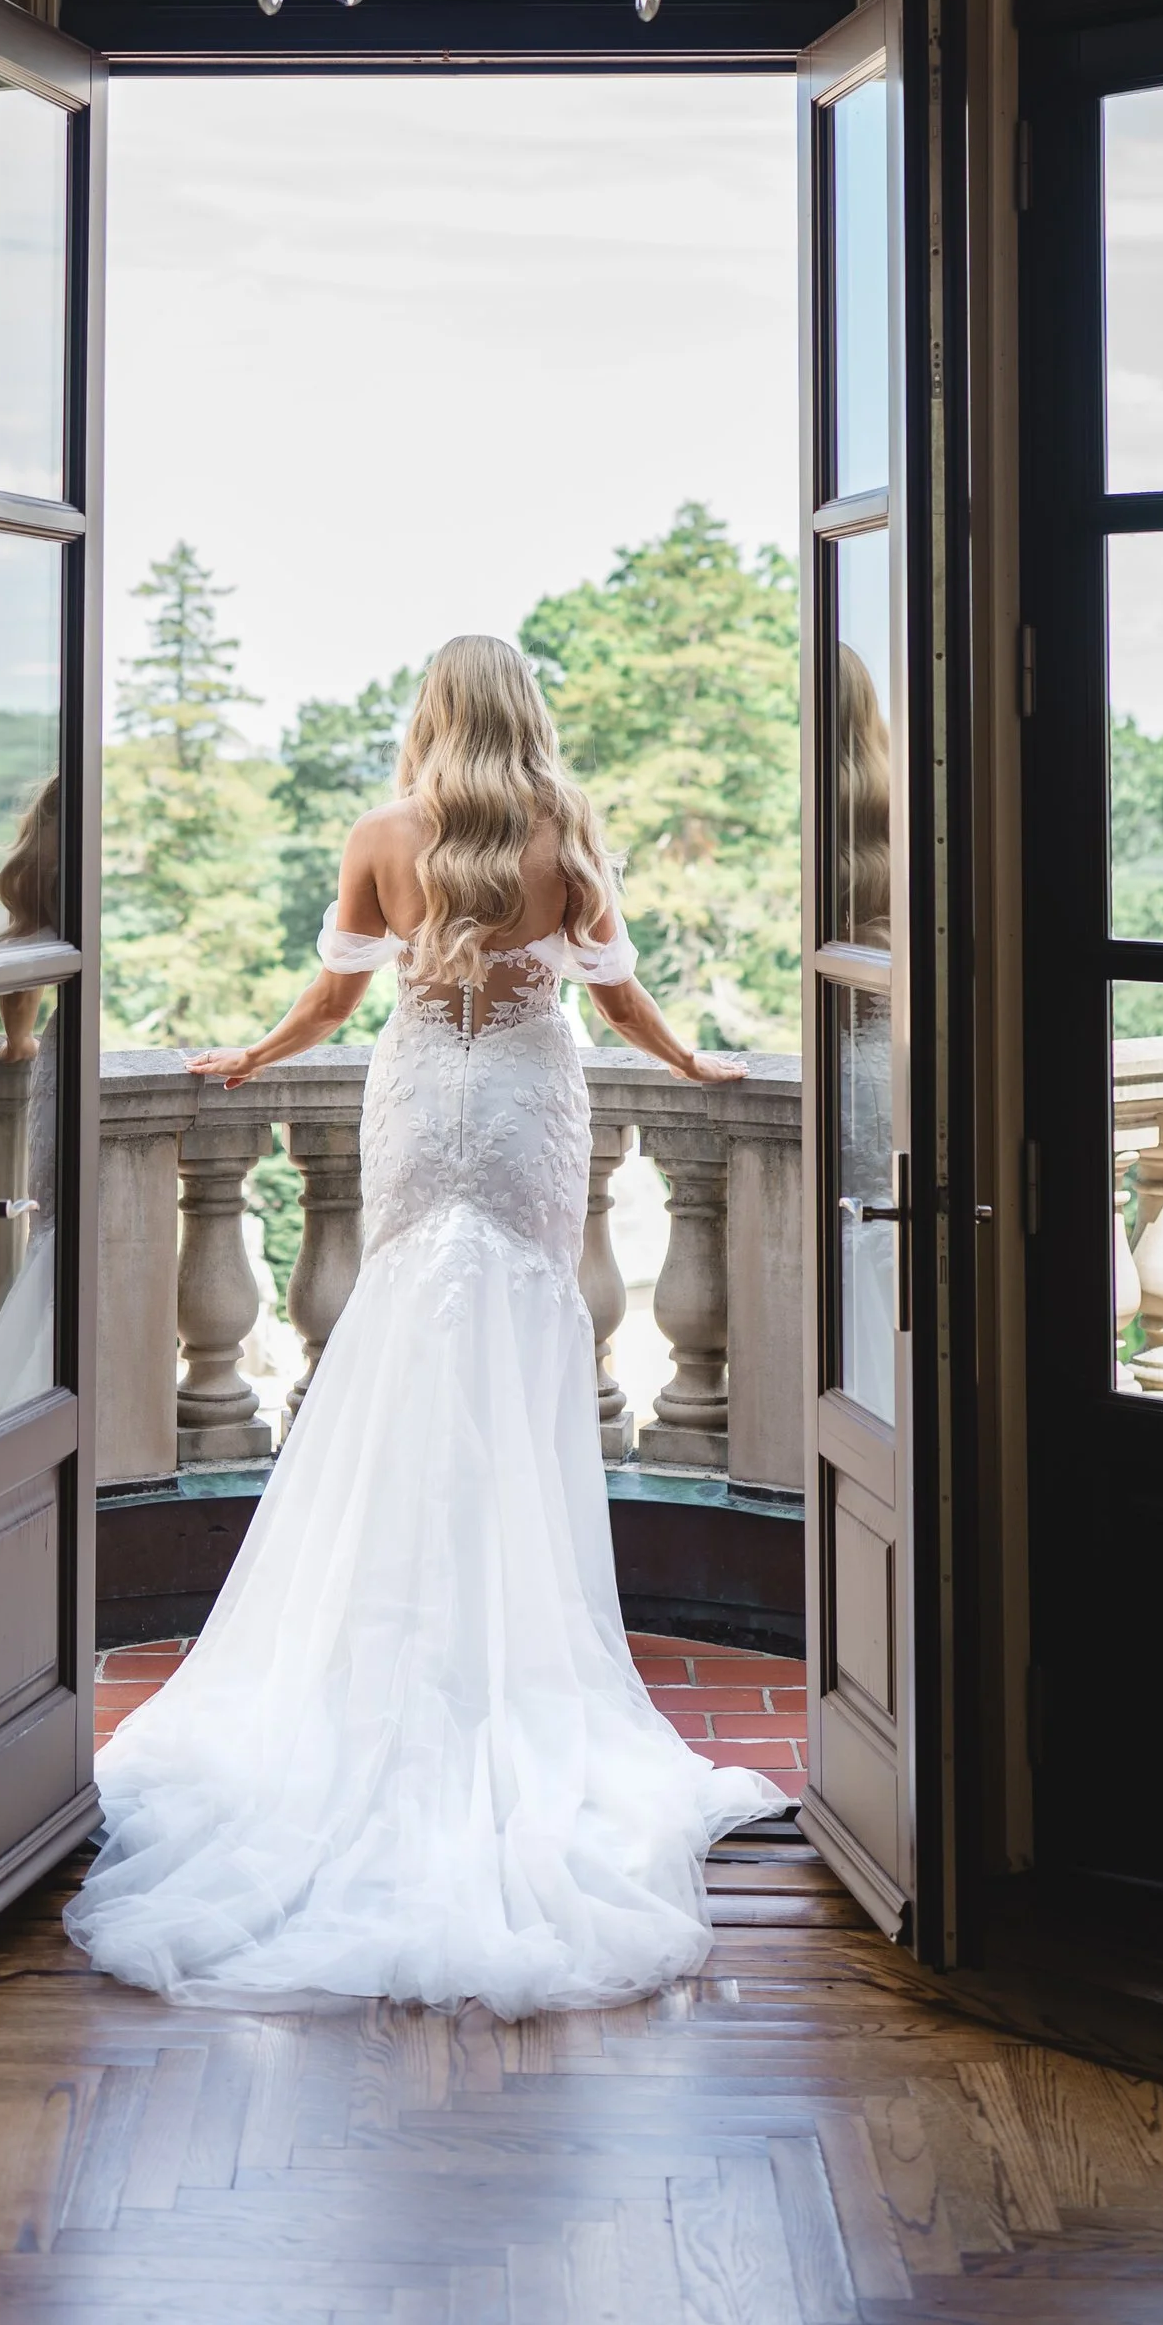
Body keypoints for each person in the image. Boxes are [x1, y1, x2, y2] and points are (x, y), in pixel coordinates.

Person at [64, 633, 787, 2017]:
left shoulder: (383, 834)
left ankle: (383, 1658)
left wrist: (258, 1056)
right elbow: (615, 987)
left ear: (431, 716)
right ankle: (506, 1657)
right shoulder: (562, 830)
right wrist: (692, 1060)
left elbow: (339, 993)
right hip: (522, 1110)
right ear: (524, 712)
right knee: (516, 1344)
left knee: (401, 1338)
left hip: (421, 1102)